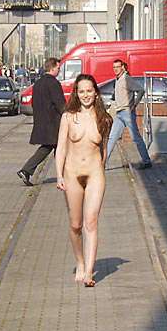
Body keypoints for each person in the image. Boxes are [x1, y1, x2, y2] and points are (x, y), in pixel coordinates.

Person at [55, 74, 112, 288]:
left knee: (92, 222)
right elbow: (61, 148)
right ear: (76, 94)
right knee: (75, 224)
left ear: (95, 92)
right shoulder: (68, 117)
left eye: (89, 90)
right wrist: (59, 175)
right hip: (72, 174)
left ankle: (89, 272)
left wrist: (101, 170)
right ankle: (80, 261)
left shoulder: (104, 119)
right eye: (81, 91)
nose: (86, 95)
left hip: (95, 174)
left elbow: (104, 150)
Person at [17, 57, 65, 187]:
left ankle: (27, 170)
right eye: (58, 68)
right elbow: (60, 103)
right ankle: (64, 175)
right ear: (52, 68)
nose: (59, 70)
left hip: (41, 121)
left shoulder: (38, 83)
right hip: (54, 122)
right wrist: (67, 116)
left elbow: (34, 103)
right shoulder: (53, 83)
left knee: (49, 147)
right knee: (59, 147)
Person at [104, 58, 152, 170]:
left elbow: (141, 90)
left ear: (122, 67)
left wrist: (134, 104)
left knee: (136, 138)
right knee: (112, 138)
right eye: (114, 67)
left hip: (127, 113)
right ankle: (103, 163)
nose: (115, 69)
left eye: (117, 67)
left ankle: (147, 161)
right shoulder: (117, 80)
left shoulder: (126, 79)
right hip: (119, 113)